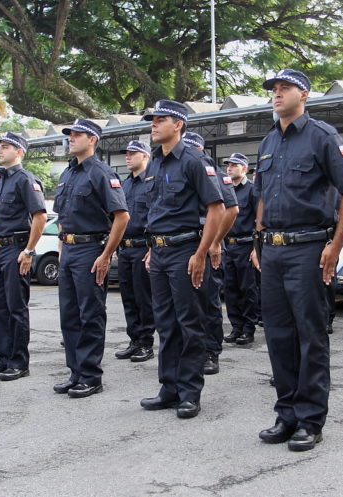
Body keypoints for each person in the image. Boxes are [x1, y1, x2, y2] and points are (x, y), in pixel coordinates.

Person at [254, 69, 343, 451]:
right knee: (278, 335)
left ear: (305, 94)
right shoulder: (268, 141)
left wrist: (335, 244)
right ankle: (286, 414)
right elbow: (262, 196)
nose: (277, 95)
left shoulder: (322, 136)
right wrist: (258, 239)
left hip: (309, 248)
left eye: (285, 88)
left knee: (310, 336)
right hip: (274, 248)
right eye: (274, 90)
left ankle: (311, 419)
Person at [139, 100, 224, 419]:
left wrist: (201, 252)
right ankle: (169, 388)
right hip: (159, 252)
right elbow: (157, 212)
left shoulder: (193, 160)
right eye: (152, 120)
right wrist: (151, 247)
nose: (153, 124)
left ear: (178, 124)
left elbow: (216, 209)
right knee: (165, 322)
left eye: (160, 120)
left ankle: (190, 392)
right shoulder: (155, 163)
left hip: (185, 250)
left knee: (190, 322)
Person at [51, 119, 129, 397]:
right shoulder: (68, 174)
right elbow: (63, 217)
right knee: (69, 315)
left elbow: (122, 216)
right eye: (70, 135)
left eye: (77, 134)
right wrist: (62, 244)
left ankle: (91, 375)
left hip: (90, 249)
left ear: (92, 139)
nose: (71, 138)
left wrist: (106, 254)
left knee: (90, 314)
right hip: (70, 250)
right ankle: (76, 372)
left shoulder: (101, 173)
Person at [0, 132, 47, 381]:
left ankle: (19, 362)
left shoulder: (25, 180)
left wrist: (29, 251)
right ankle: (3, 358)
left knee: (15, 308)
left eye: (6, 146)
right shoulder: (0, 181)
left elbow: (40, 217)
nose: (0, 150)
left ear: (19, 152)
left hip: (15, 249)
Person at [182, 131, 238, 375]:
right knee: (187, 304)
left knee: (207, 301)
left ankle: (211, 351)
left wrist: (215, 241)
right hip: (184, 245)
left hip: (206, 243)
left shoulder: (208, 168)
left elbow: (230, 210)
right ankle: (190, 350)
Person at [115, 140, 156, 363]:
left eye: (133, 153)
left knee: (144, 298)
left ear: (145, 156)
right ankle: (134, 339)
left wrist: (152, 248)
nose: (128, 157)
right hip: (125, 248)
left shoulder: (151, 182)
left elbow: (155, 216)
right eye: (127, 153)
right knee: (128, 298)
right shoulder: (125, 184)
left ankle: (146, 342)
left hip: (143, 247)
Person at [222, 153, 259, 345]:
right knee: (230, 288)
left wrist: (256, 248)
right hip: (228, 245)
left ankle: (248, 328)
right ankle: (236, 326)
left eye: (234, 165)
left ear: (244, 168)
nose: (229, 168)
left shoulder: (252, 190)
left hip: (246, 245)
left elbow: (258, 220)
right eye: (228, 165)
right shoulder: (225, 189)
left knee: (247, 288)